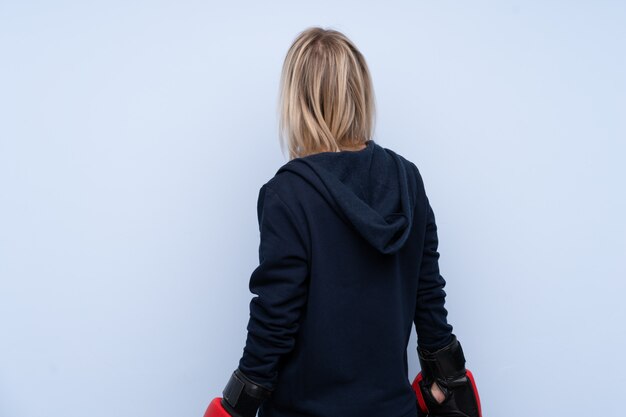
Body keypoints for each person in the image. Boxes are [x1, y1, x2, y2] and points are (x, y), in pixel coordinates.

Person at [204, 27, 481, 417]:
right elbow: (429, 299)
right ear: (358, 92)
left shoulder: (288, 193)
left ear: (296, 100)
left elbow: (275, 317)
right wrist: (449, 381)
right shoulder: (408, 181)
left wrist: (234, 407)